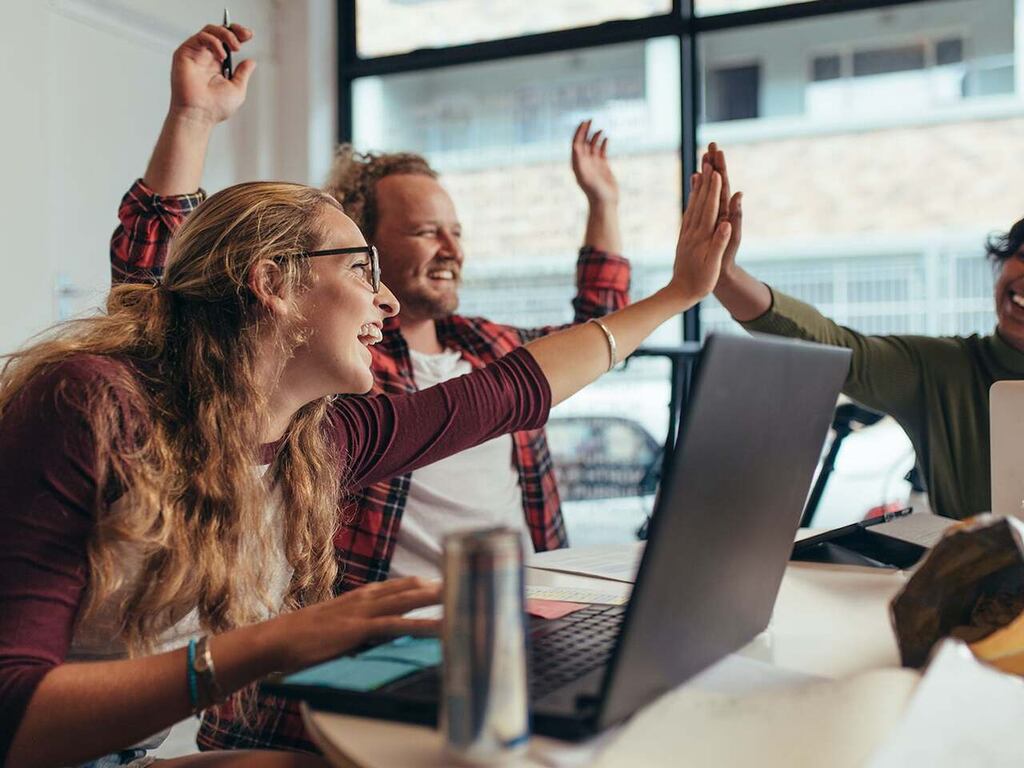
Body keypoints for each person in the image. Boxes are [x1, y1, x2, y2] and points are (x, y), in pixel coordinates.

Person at [111, 23, 634, 754]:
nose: (451, 248)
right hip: (373, 659)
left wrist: (604, 207)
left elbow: (593, 339)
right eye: (425, 232)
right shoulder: (332, 375)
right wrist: (192, 121)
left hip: (515, 625)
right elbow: (163, 298)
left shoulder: (489, 347)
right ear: (365, 249)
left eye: (456, 230)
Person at [706, 142, 1024, 521]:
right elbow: (831, 345)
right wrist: (724, 277)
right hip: (972, 579)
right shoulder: (944, 369)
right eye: (1022, 256)